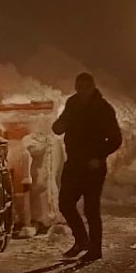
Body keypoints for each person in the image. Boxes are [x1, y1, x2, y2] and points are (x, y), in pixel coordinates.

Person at [52, 72, 122, 261]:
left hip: (93, 166)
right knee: (65, 203)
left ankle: (95, 250)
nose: (82, 92)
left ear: (92, 87)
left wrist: (99, 157)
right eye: (79, 88)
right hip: (74, 163)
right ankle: (82, 240)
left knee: (91, 209)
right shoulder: (72, 104)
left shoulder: (103, 108)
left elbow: (116, 139)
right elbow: (58, 127)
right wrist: (60, 125)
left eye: (85, 88)